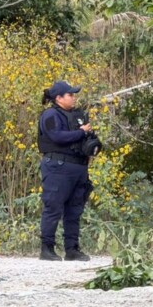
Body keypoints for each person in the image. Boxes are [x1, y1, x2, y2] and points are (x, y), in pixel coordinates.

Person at [37, 80, 94, 261]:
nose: (74, 97)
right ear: (59, 98)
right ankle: (47, 248)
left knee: (74, 210)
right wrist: (82, 132)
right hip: (57, 167)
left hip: (78, 167)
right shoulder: (50, 115)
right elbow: (57, 136)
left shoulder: (78, 116)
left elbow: (88, 139)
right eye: (70, 95)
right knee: (53, 207)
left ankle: (72, 249)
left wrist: (92, 142)